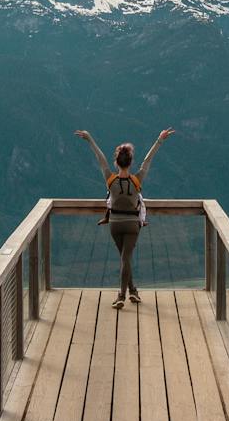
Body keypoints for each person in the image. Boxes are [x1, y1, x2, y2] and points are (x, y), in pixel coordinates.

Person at [75, 127, 175, 309]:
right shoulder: (137, 180)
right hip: (132, 224)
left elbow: (100, 159)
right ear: (130, 162)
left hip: (114, 223)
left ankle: (132, 291)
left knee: (124, 258)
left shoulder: (110, 180)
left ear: (116, 162)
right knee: (126, 258)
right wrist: (160, 140)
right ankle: (123, 294)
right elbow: (148, 160)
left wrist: (89, 139)